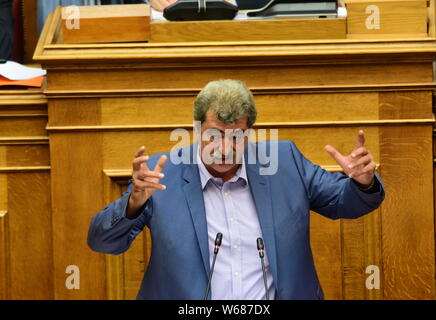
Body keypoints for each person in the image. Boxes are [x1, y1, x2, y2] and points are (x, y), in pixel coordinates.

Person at [88, 79, 385, 300]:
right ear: (196, 130)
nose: (224, 149)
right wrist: (133, 204)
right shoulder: (161, 173)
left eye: (236, 137)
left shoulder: (284, 162)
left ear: (250, 133)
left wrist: (362, 182)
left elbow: (345, 203)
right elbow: (103, 242)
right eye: (214, 136)